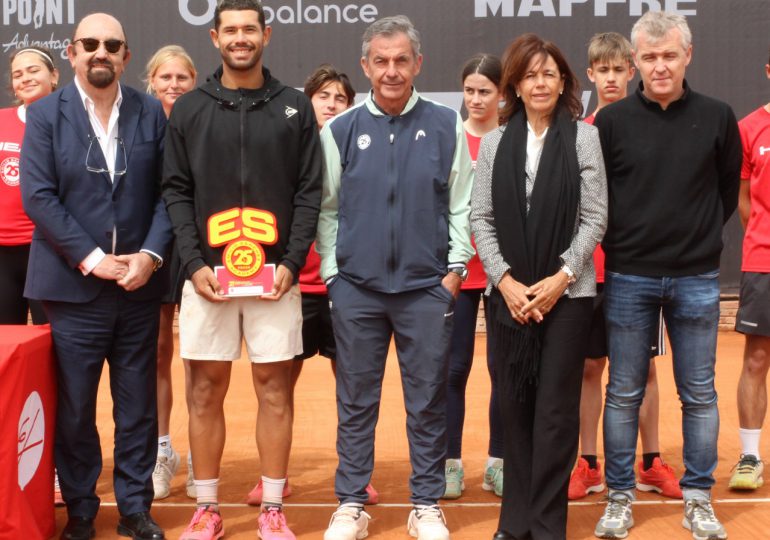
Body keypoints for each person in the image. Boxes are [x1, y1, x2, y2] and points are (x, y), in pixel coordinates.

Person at [162, 1, 322, 538]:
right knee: (205, 389)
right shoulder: (188, 109)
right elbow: (176, 192)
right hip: (207, 277)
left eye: (248, 29)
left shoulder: (295, 106)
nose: (239, 38)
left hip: (275, 277)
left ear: (266, 35)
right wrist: (191, 263)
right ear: (214, 38)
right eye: (230, 30)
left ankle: (272, 507)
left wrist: (292, 262)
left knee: (274, 386)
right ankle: (206, 508)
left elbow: (308, 192)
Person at [317, 15, 473, 540]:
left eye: (400, 60)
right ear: (365, 66)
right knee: (355, 401)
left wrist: (454, 271)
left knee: (427, 400)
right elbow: (328, 209)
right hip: (356, 289)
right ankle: (351, 504)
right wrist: (335, 274)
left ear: (417, 64)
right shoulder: (339, 130)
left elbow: (462, 205)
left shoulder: (446, 124)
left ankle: (426, 503)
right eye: (380, 61)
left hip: (426, 290)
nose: (390, 70)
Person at [20, 12, 171, 540]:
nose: (100, 52)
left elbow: (168, 194)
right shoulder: (43, 115)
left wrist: (149, 256)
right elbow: (37, 195)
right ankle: (82, 507)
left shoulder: (151, 111)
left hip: (136, 287)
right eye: (90, 43)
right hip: (70, 287)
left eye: (112, 44)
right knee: (75, 407)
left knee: (137, 406)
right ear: (72, 51)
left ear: (127, 55)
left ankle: (134, 508)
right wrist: (91, 257)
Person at [593, 11, 741, 540]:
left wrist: (695, 238)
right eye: (650, 58)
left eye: (669, 56)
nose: (659, 66)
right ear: (636, 62)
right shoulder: (610, 123)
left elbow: (726, 191)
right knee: (624, 392)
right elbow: (598, 200)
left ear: (688, 57)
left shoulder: (719, 116)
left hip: (697, 277)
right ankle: (618, 498)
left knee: (699, 393)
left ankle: (699, 499)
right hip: (630, 276)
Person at [471, 33, 607, 540]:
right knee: (515, 408)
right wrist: (504, 280)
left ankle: (548, 525)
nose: (540, 82)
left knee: (554, 413)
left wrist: (561, 278)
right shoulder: (493, 144)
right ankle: (515, 523)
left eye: (549, 73)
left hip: (568, 297)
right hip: (508, 299)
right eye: (530, 74)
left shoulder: (583, 138)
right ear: (516, 85)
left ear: (564, 81)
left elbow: (594, 217)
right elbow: (480, 218)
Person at [244, 63, 380, 508]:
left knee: (353, 387)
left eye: (341, 98)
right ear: (307, 102)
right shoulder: (290, 149)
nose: (332, 104)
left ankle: (356, 472)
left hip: (347, 287)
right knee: (278, 387)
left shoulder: (361, 149)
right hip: (293, 287)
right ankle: (273, 479)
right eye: (324, 96)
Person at [568, 31, 681, 502]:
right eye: (603, 70)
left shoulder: (644, 127)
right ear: (590, 74)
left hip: (636, 270)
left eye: (619, 70)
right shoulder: (578, 132)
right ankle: (588, 462)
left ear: (630, 72)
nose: (611, 78)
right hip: (586, 273)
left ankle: (650, 461)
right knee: (591, 367)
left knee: (645, 370)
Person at [443, 53, 505, 501]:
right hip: (458, 273)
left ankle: (498, 464)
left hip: (504, 274)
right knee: (453, 370)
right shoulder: (449, 138)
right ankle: (449, 465)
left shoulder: (514, 139)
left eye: (485, 91)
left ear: (502, 94)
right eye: (469, 90)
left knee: (503, 371)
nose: (476, 99)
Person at [143, 44, 198, 501]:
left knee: (202, 352)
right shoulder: (139, 122)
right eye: (166, 78)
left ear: (193, 81)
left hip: (198, 245)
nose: (174, 85)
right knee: (160, 350)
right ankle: (164, 450)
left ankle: (202, 449)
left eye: (182, 78)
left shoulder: (202, 119)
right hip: (156, 245)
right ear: (152, 82)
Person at [729, 48, 770, 492]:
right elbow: (743, 200)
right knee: (757, 359)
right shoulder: (749, 128)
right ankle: (750, 457)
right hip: (764, 260)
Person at [0, 46, 57, 326]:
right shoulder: (1, 120)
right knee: (5, 346)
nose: (25, 78)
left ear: (54, 75)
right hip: (2, 252)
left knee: (53, 342)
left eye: (33, 71)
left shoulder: (71, 120)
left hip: (49, 249)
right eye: (17, 74)